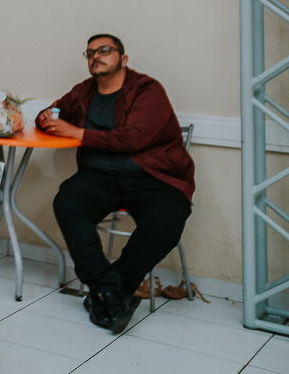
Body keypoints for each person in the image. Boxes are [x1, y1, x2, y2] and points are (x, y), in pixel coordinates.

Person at [36, 34, 194, 334]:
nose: (96, 56)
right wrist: (45, 117)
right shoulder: (83, 91)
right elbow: (53, 113)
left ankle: (109, 289)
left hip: (153, 177)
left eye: (105, 50)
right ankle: (110, 292)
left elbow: (133, 138)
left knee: (167, 219)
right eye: (91, 52)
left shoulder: (148, 90)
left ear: (123, 59)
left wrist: (77, 132)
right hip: (99, 177)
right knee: (67, 203)